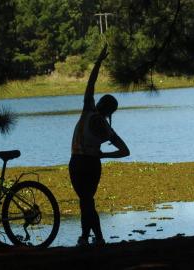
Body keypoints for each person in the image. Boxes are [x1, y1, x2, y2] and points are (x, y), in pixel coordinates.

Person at [69, 44, 130, 246]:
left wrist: (98, 62)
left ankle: (95, 238)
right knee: (86, 201)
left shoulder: (88, 110)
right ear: (111, 111)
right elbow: (124, 151)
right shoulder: (106, 128)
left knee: (86, 201)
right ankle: (88, 237)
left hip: (78, 162)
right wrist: (104, 156)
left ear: (101, 103)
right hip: (93, 165)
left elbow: (90, 84)